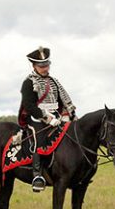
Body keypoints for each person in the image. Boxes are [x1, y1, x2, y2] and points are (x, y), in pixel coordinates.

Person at [18, 46, 76, 192]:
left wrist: (71, 115)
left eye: (47, 65)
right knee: (40, 141)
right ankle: (37, 175)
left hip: (57, 117)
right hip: (37, 119)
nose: (45, 68)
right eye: (41, 66)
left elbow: (64, 100)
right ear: (34, 66)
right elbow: (29, 106)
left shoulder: (54, 82)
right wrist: (46, 118)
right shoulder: (29, 82)